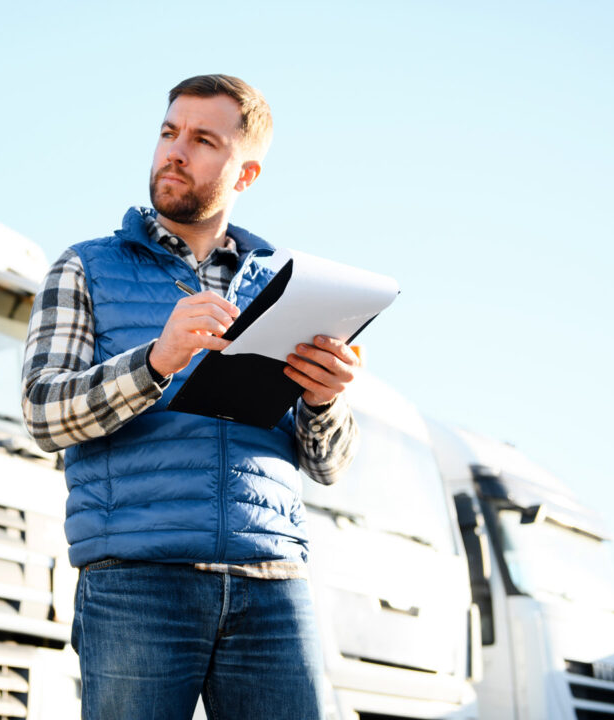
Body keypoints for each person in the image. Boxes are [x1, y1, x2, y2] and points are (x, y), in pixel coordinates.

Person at [21, 74, 361, 719]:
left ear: (247, 173)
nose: (175, 151)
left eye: (203, 139)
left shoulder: (289, 283)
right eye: (168, 133)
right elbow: (43, 413)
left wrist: (323, 400)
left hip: (273, 584)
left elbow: (330, 466)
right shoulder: (85, 266)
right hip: (137, 583)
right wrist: (157, 360)